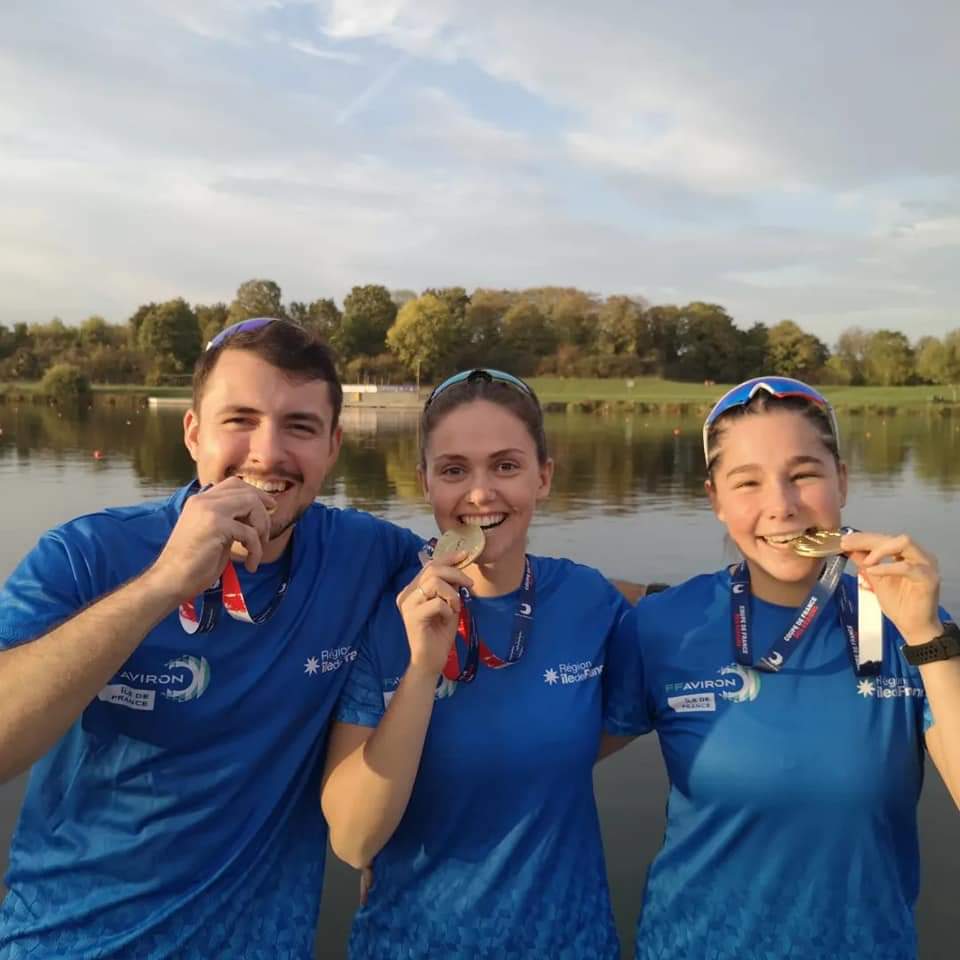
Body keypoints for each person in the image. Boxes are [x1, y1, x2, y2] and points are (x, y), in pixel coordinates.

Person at [0, 318, 424, 958]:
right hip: (72, 942)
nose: (268, 452)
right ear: (193, 432)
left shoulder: (365, 555)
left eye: (300, 427)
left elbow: (493, 575)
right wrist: (161, 585)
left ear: (334, 445)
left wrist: (637, 600)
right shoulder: (87, 555)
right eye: (241, 419)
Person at [608, 376, 960, 960]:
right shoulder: (665, 625)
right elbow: (551, 761)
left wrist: (927, 635)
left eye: (804, 474)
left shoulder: (906, 619)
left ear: (841, 481)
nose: (782, 505)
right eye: (747, 482)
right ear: (715, 499)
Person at [321, 368, 637, 959]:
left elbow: (680, 637)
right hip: (409, 944)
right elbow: (354, 842)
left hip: (571, 942)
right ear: (425, 483)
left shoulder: (590, 601)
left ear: (544, 476)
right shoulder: (384, 612)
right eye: (454, 470)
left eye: (507, 466)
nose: (481, 493)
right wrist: (421, 671)